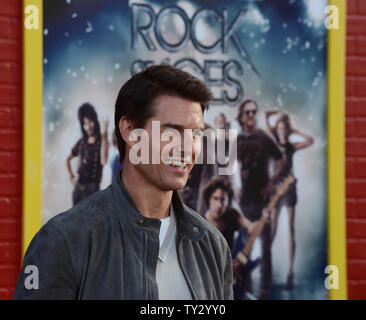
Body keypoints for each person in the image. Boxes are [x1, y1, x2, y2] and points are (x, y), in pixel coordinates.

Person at [13, 65, 233, 300]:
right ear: (129, 131)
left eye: (197, 134)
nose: (188, 149)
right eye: (172, 132)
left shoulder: (212, 244)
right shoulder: (63, 240)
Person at [233, 99, 286, 299]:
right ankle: (244, 287)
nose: (251, 116)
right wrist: (235, 185)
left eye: (254, 112)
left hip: (263, 200)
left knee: (265, 246)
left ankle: (264, 289)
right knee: (243, 247)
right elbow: (228, 164)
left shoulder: (263, 137)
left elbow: (281, 159)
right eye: (247, 112)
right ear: (241, 116)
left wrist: (272, 183)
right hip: (244, 201)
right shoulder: (237, 140)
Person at [265, 110, 314, 290]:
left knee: (291, 229)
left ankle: (290, 272)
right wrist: (272, 116)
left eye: (284, 128)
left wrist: (294, 131)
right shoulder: (273, 142)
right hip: (276, 189)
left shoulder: (291, 146)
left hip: (289, 187)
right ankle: (266, 268)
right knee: (272, 229)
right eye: (280, 128)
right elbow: (266, 118)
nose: (282, 131)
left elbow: (310, 140)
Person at [66, 103, 109, 205]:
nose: (88, 126)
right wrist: (71, 176)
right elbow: (68, 159)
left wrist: (105, 133)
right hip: (78, 188)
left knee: (92, 219)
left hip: (93, 189)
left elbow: (103, 160)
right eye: (85, 123)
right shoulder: (81, 142)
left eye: (90, 121)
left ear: (95, 121)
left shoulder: (101, 141)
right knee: (76, 220)